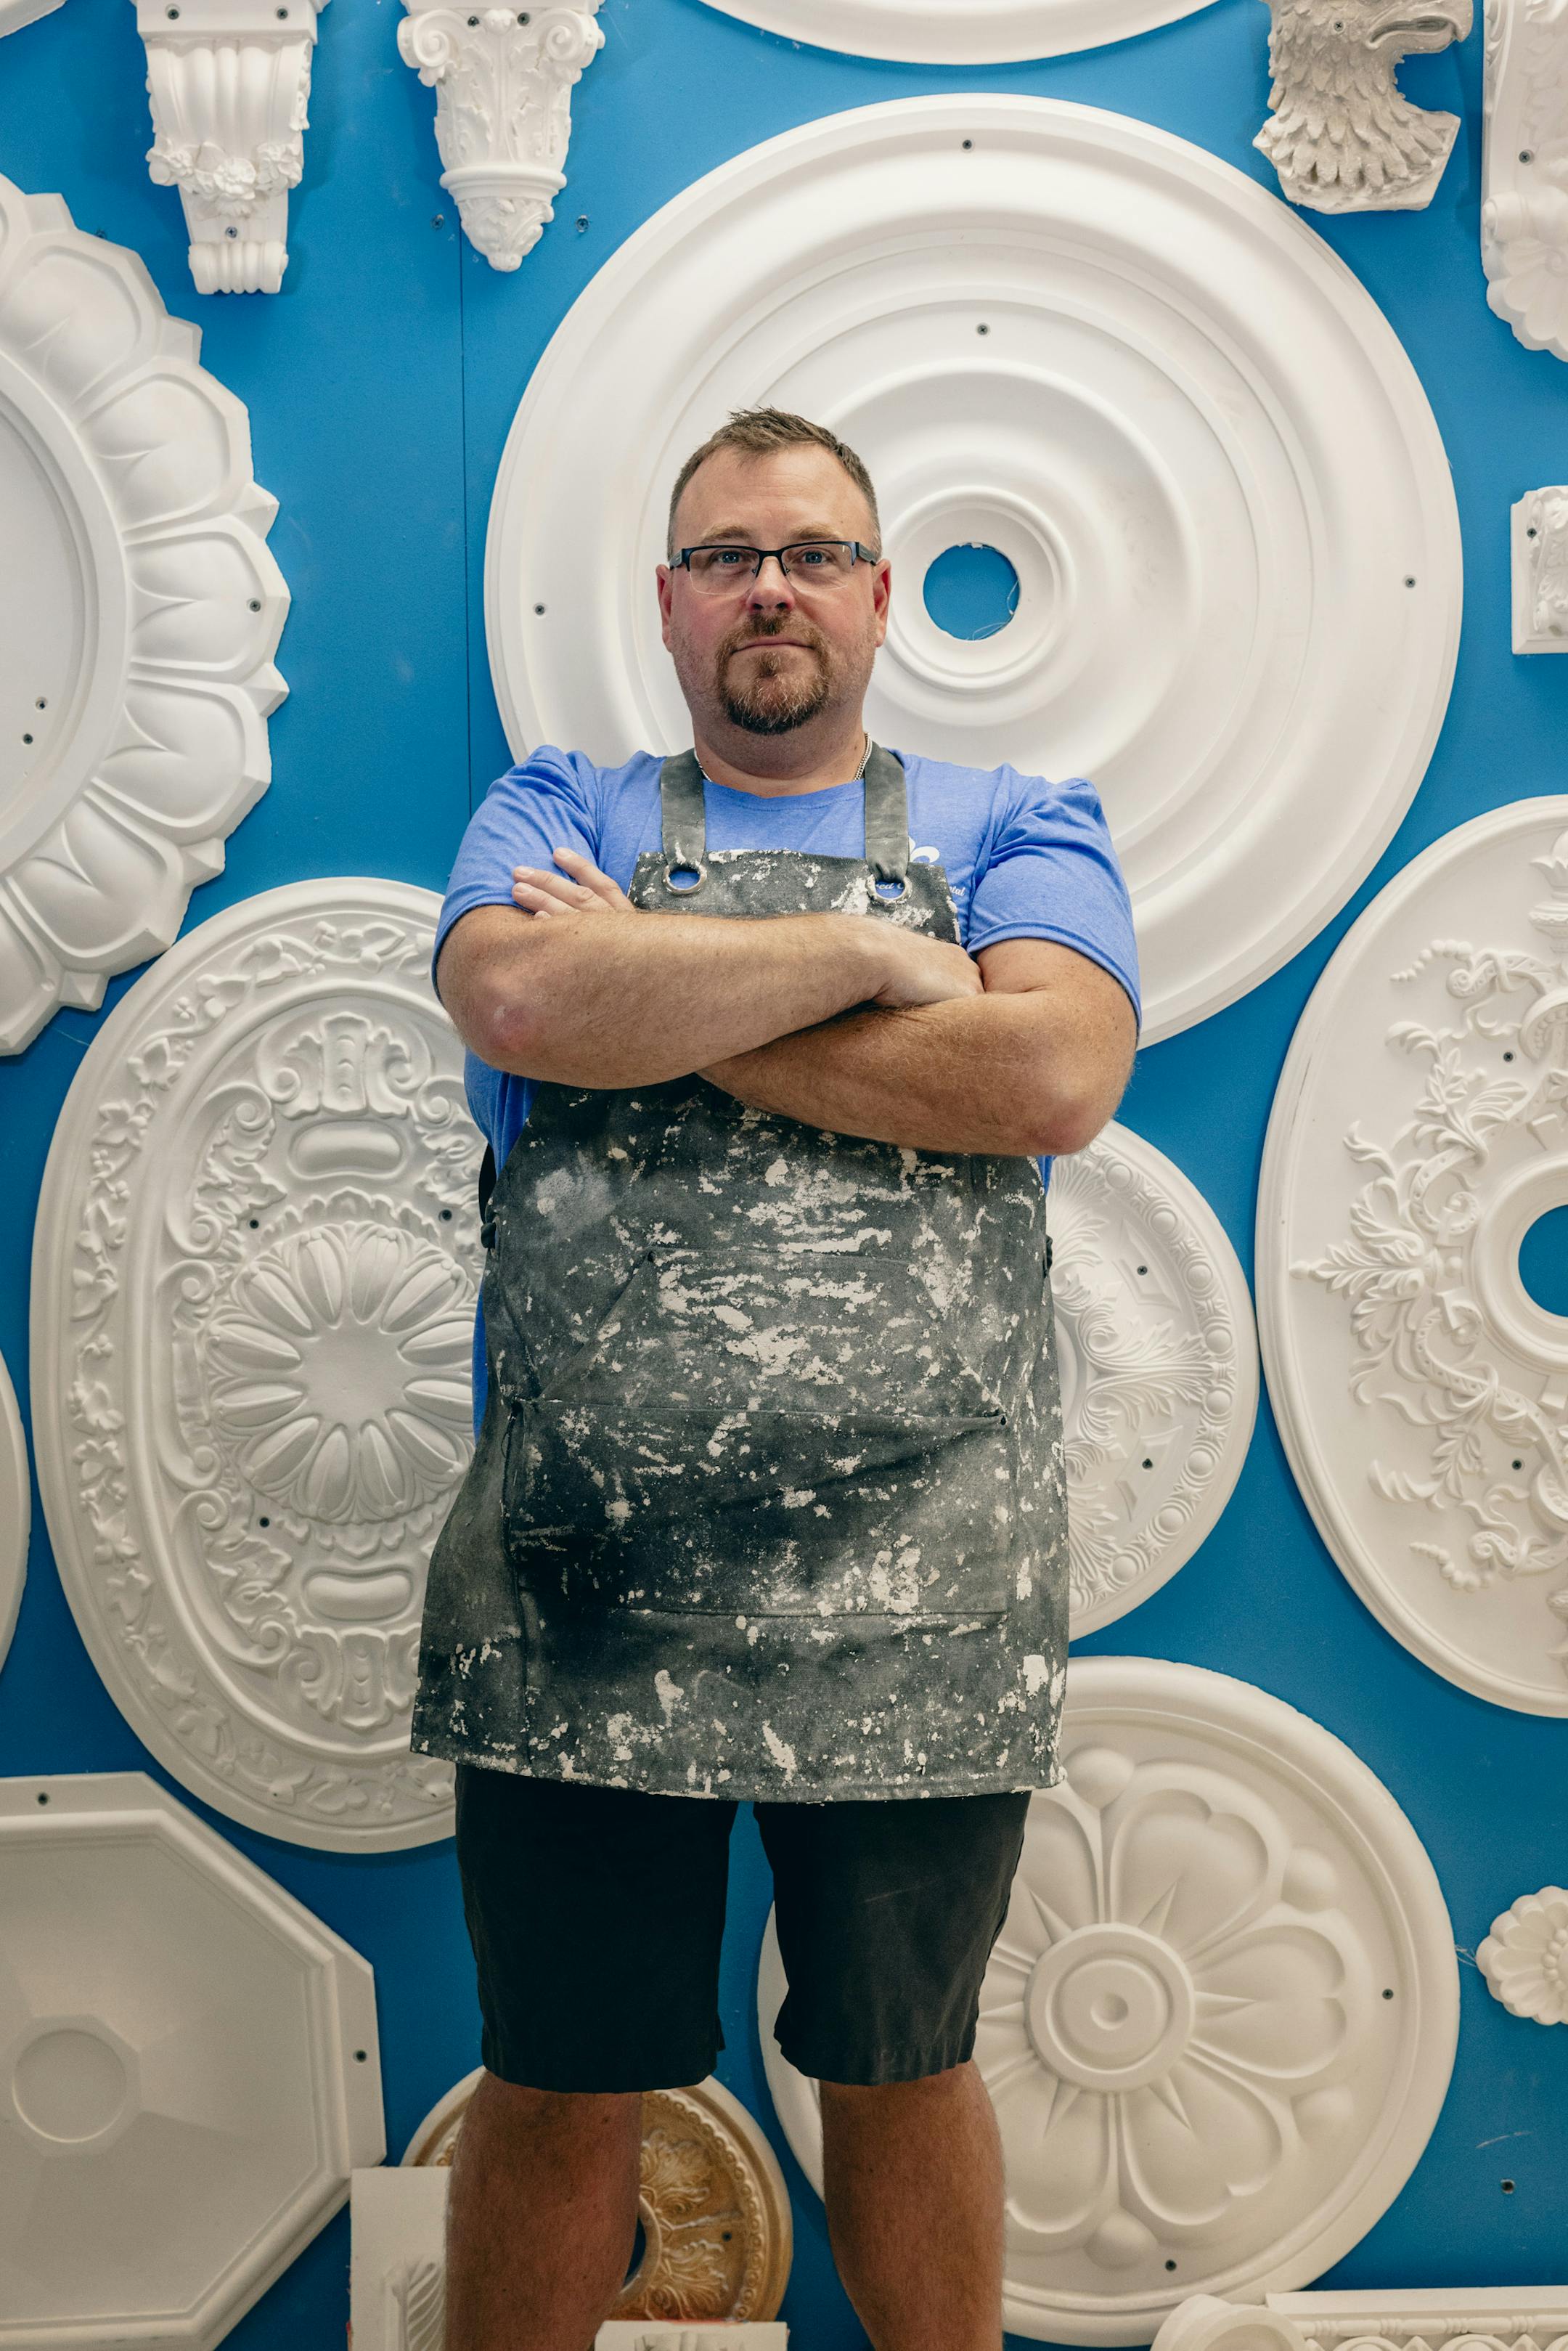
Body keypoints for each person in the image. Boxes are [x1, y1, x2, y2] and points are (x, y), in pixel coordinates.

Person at [411, 407, 1141, 2351]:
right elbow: (519, 995)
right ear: (668, 602)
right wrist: (879, 964)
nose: (771, 590)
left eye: (814, 555)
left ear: (881, 596)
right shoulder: (556, 806)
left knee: (907, 2068)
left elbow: (1050, 1074)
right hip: (582, 1587)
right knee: (556, 2080)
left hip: (927, 1591)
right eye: (728, 556)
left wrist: (653, 999)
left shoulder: (1019, 825)